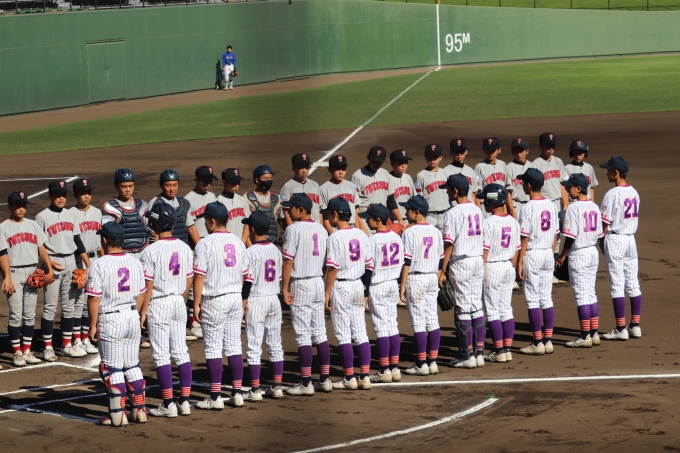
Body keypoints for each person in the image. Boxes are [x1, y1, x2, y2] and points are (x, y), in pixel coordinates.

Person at [86, 222, 147, 426]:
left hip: (111, 319)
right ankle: (139, 411)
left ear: (104, 240)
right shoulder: (135, 262)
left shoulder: (99, 264)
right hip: (132, 316)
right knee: (132, 364)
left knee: (112, 368)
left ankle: (118, 416)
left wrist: (92, 325)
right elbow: (141, 293)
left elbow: (94, 298)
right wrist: (134, 314)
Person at [193, 202, 250, 409]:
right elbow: (245, 275)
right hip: (234, 297)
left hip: (214, 300)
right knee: (234, 345)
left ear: (212, 221)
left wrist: (196, 304)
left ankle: (216, 398)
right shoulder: (238, 242)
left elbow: (199, 276)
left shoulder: (205, 244)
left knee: (213, 348)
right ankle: (237, 393)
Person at [140, 202, 194, 417]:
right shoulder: (184, 247)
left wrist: (143, 312)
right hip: (179, 302)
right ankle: (185, 402)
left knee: (161, 355)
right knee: (181, 352)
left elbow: (148, 286)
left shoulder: (150, 251)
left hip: (159, 303)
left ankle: (168, 404)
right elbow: (189, 279)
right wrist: (180, 299)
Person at [281, 193, 332, 396]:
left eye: (291, 208)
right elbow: (327, 261)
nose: (288, 211)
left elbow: (288, 260)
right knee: (320, 331)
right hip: (318, 281)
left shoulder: (293, 229)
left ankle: (305, 383)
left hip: (300, 283)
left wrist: (284, 288)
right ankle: (325, 379)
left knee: (303, 334)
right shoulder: (321, 229)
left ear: (301, 210)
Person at [36, 180, 91, 361]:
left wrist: (88, 264)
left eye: (64, 195)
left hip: (70, 261)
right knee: (50, 306)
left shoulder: (70, 215)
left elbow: (77, 241)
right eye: (57, 195)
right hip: (52, 262)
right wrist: (48, 263)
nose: (61, 198)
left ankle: (66, 345)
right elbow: (39, 245)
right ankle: (47, 347)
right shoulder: (41, 217)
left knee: (69, 306)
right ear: (50, 195)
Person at [323, 197, 372, 390]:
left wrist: (327, 292)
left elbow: (333, 269)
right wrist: (365, 289)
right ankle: (365, 376)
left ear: (335, 214)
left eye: (329, 213)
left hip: (341, 287)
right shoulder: (361, 234)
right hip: (358, 285)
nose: (328, 216)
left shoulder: (334, 237)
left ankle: (349, 378)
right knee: (361, 332)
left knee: (343, 335)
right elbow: (369, 265)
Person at [2, 190, 53, 367]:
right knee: (16, 314)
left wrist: (49, 269)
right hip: (14, 272)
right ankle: (17, 353)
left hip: (32, 272)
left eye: (23, 205)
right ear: (9, 206)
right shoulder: (3, 228)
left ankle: (26, 350)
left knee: (30, 314)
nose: (21, 209)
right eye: (17, 205)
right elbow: (2, 255)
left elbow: (41, 249)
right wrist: (7, 277)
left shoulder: (33, 225)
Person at [439, 174, 485, 369]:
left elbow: (449, 244)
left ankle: (466, 356)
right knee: (476, 306)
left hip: (462, 262)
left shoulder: (453, 212)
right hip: (477, 260)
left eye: (448, 189)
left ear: (455, 191)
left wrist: (443, 269)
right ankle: (479, 354)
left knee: (462, 308)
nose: (447, 192)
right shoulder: (477, 209)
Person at [241, 212, 285, 401]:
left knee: (254, 345)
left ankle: (255, 389)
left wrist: (243, 303)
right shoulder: (275, 250)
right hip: (274, 299)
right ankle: (277, 386)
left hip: (256, 299)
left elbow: (247, 281)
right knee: (275, 344)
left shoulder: (250, 252)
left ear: (252, 229)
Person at [515, 168, 560, 356]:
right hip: (548, 252)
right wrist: (550, 253)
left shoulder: (527, 208)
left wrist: (519, 262)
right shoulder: (551, 205)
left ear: (528, 185)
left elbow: (524, 238)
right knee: (546, 298)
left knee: (533, 300)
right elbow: (556, 235)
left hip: (532, 254)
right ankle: (548, 341)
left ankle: (537, 342)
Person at [556, 174, 603, 348]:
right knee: (590, 293)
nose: (568, 190)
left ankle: (585, 336)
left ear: (579, 188)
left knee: (582, 295)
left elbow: (570, 237)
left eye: (570, 187)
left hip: (579, 253)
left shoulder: (573, 208)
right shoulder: (594, 206)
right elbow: (600, 235)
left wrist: (563, 255)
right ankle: (594, 333)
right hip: (592, 252)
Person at [599, 157, 642, 340]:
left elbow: (604, 222)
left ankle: (620, 328)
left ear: (616, 172)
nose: (607, 173)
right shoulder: (634, 192)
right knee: (633, 283)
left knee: (617, 285)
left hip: (615, 239)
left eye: (609, 170)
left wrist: (601, 241)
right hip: (631, 240)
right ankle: (635, 325)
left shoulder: (612, 194)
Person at [398, 196, 443, 376]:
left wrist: (402, 285)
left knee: (418, 322)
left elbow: (406, 262)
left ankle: (421, 363)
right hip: (432, 277)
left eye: (408, 210)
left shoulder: (409, 232)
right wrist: (436, 277)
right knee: (432, 320)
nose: (405, 212)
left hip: (416, 278)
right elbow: (441, 261)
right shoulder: (436, 231)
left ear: (416, 213)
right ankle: (433, 362)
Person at [359, 204, 403, 383]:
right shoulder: (397, 238)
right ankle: (395, 368)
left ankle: (384, 370)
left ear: (378, 220)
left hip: (378, 285)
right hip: (392, 283)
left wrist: (365, 291)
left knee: (381, 327)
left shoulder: (372, 240)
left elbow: (368, 269)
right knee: (392, 325)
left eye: (368, 218)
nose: (366, 221)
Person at [477, 184, 520, 363]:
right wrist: (511, 266)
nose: (483, 202)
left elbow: (485, 252)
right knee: (506, 309)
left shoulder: (488, 223)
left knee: (493, 311)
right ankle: (507, 349)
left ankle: (498, 350)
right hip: (508, 266)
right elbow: (517, 250)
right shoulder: (514, 221)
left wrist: (479, 271)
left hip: (492, 267)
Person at [184, 165, 219, 340]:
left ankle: (204, 315)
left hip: (212, 242)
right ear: (196, 180)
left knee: (209, 281)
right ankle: (193, 321)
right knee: (194, 284)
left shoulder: (212, 196)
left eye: (210, 180)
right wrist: (201, 246)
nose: (208, 183)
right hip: (197, 244)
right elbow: (190, 227)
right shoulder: (188, 200)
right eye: (205, 180)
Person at [69, 178, 101, 355]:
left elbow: (100, 240)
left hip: (95, 258)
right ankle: (77, 339)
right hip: (78, 261)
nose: (87, 196)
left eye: (89, 193)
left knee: (92, 299)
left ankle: (86, 337)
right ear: (75, 195)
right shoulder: (70, 214)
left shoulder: (97, 212)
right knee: (79, 302)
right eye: (83, 193)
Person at [532, 132, 568, 256]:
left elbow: (562, 184)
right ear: (541, 146)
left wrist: (565, 205)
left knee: (557, 234)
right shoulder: (536, 164)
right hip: (544, 204)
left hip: (557, 202)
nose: (551, 148)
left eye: (553, 145)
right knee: (544, 232)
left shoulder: (558, 162)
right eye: (547, 145)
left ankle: (554, 258)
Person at [102, 168, 151, 259]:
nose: (128, 190)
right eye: (124, 187)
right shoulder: (111, 207)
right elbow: (106, 233)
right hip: (122, 254)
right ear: (116, 186)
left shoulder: (142, 205)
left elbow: (151, 227)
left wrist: (149, 241)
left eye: (131, 186)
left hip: (143, 252)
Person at [149, 169, 200, 247]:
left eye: (175, 185)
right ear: (161, 185)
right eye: (168, 185)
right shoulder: (155, 203)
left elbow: (191, 228)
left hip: (183, 247)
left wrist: (199, 247)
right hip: (165, 248)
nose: (172, 189)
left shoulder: (184, 203)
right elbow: (153, 231)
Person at [319, 155, 368, 235]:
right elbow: (325, 217)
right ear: (329, 170)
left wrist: (359, 229)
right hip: (335, 229)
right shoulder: (323, 189)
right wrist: (332, 234)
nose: (341, 172)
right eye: (337, 169)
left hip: (352, 227)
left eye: (343, 169)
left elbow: (356, 209)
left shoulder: (351, 185)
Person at [475, 137, 513, 218]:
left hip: (501, 205)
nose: (490, 153)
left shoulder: (503, 165)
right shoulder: (479, 167)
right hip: (486, 206)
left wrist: (509, 209)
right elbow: (476, 191)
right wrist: (478, 210)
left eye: (493, 150)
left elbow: (507, 189)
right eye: (488, 150)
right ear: (484, 150)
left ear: (499, 150)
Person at [280, 153, 321, 227]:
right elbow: (285, 211)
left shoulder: (315, 185)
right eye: (301, 167)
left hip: (315, 226)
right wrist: (292, 228)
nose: (304, 171)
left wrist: (321, 226)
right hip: (298, 227)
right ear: (294, 168)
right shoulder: (287, 186)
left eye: (307, 167)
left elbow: (319, 209)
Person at [245, 165, 283, 245]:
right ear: (257, 180)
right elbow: (245, 226)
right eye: (266, 178)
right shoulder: (247, 198)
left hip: (273, 244)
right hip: (254, 244)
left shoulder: (276, 199)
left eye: (270, 178)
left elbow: (281, 220)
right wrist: (250, 246)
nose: (269, 181)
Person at [415, 144, 449, 230]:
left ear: (440, 158)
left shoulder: (446, 173)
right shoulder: (420, 176)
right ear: (425, 157)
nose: (432, 160)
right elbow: (418, 198)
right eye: (429, 157)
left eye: (435, 157)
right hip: (429, 216)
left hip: (445, 214)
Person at [350, 146, 392, 214]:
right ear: (368, 157)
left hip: (382, 216)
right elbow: (353, 200)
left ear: (384, 160)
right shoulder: (357, 176)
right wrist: (358, 219)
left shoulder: (385, 174)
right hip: (364, 216)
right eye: (374, 160)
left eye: (379, 162)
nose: (376, 164)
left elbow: (390, 198)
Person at [216, 168, 250, 244]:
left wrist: (243, 240)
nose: (237, 185)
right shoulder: (218, 202)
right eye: (233, 183)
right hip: (225, 243)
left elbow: (247, 223)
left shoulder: (242, 200)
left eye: (238, 182)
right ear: (224, 182)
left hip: (241, 243)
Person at [443, 138, 480, 207]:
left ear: (466, 152)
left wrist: (477, 208)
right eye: (456, 151)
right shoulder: (445, 171)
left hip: (470, 208)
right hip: (453, 208)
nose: (459, 154)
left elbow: (474, 193)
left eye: (461, 151)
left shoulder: (470, 171)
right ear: (451, 152)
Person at [505, 138, 534, 219]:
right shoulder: (508, 168)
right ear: (512, 152)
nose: (519, 154)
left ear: (527, 151)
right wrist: (511, 210)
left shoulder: (532, 166)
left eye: (521, 151)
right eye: (516, 151)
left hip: (530, 203)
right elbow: (508, 192)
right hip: (516, 204)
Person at [386, 149, 416, 224]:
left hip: (408, 219)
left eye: (405, 162)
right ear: (392, 164)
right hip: (393, 220)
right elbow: (389, 201)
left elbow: (413, 198)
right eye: (400, 163)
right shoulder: (388, 179)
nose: (403, 165)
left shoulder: (408, 177)